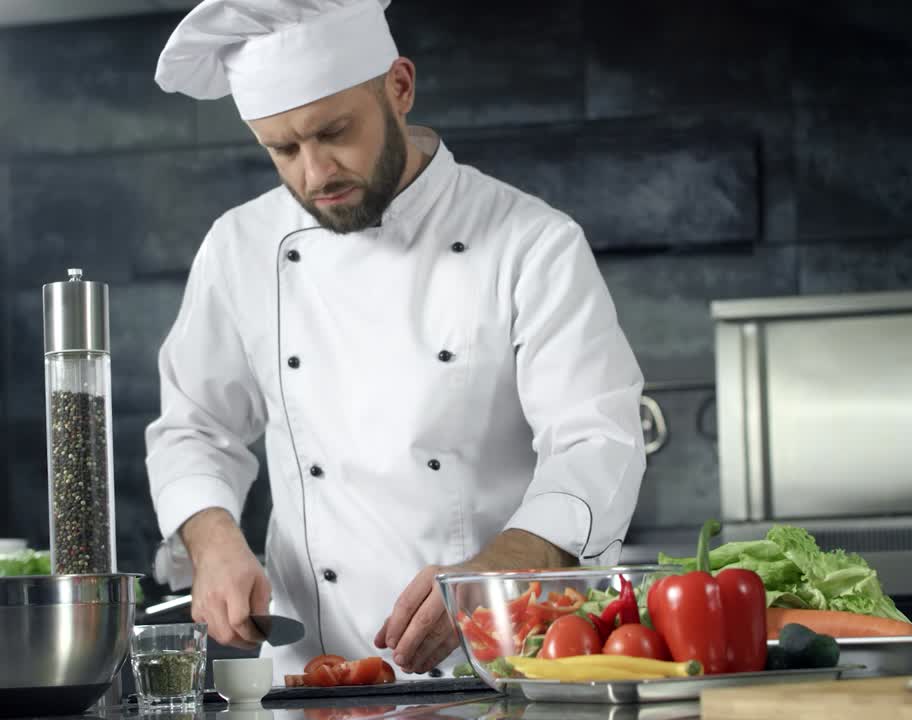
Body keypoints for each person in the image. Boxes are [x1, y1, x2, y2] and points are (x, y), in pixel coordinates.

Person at [146, 0, 646, 681]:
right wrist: (213, 541)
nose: (315, 173)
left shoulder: (531, 242)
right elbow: (195, 426)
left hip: (502, 661)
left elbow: (596, 438)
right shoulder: (240, 247)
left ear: (400, 88)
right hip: (313, 677)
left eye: (335, 132)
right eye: (283, 149)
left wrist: (500, 567)